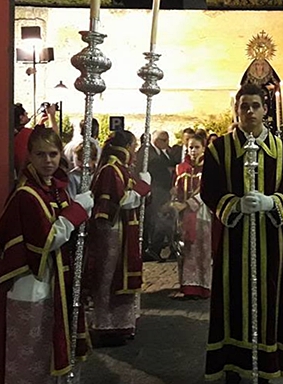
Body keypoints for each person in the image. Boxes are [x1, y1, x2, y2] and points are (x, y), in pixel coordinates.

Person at [201, 84, 283, 384]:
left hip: (271, 241)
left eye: (255, 106)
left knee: (270, 298)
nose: (249, 112)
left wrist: (273, 202)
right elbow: (210, 189)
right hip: (233, 240)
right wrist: (233, 204)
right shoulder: (219, 149)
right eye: (244, 106)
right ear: (236, 110)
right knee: (231, 300)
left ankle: (267, 365)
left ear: (266, 110)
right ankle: (231, 364)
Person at [0, 125, 94, 384]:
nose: (47, 161)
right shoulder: (26, 195)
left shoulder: (55, 189)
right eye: (40, 155)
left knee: (49, 350)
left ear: (61, 154)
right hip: (31, 285)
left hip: (56, 282)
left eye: (52, 154)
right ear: (29, 156)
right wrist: (77, 211)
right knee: (31, 355)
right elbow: (48, 238)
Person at [86, 130, 151, 347]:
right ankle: (105, 326)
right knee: (109, 277)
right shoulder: (110, 170)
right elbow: (120, 201)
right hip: (112, 232)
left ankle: (122, 324)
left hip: (124, 229)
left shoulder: (122, 169)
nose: (134, 151)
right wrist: (142, 188)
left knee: (118, 276)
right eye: (133, 146)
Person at [172, 133, 213, 299]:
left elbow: (208, 190)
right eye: (190, 147)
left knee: (203, 249)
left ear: (203, 148)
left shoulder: (209, 167)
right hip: (185, 215)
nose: (193, 151)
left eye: (197, 147)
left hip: (202, 213)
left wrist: (189, 203)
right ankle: (189, 286)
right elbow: (176, 189)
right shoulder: (181, 168)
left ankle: (204, 286)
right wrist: (175, 202)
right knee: (187, 250)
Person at [136, 130, 176, 261]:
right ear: (156, 140)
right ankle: (151, 248)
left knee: (161, 220)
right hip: (155, 191)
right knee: (155, 220)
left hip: (162, 191)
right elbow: (155, 170)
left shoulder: (163, 153)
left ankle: (156, 248)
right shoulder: (148, 153)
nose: (167, 143)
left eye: (167, 140)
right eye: (164, 140)